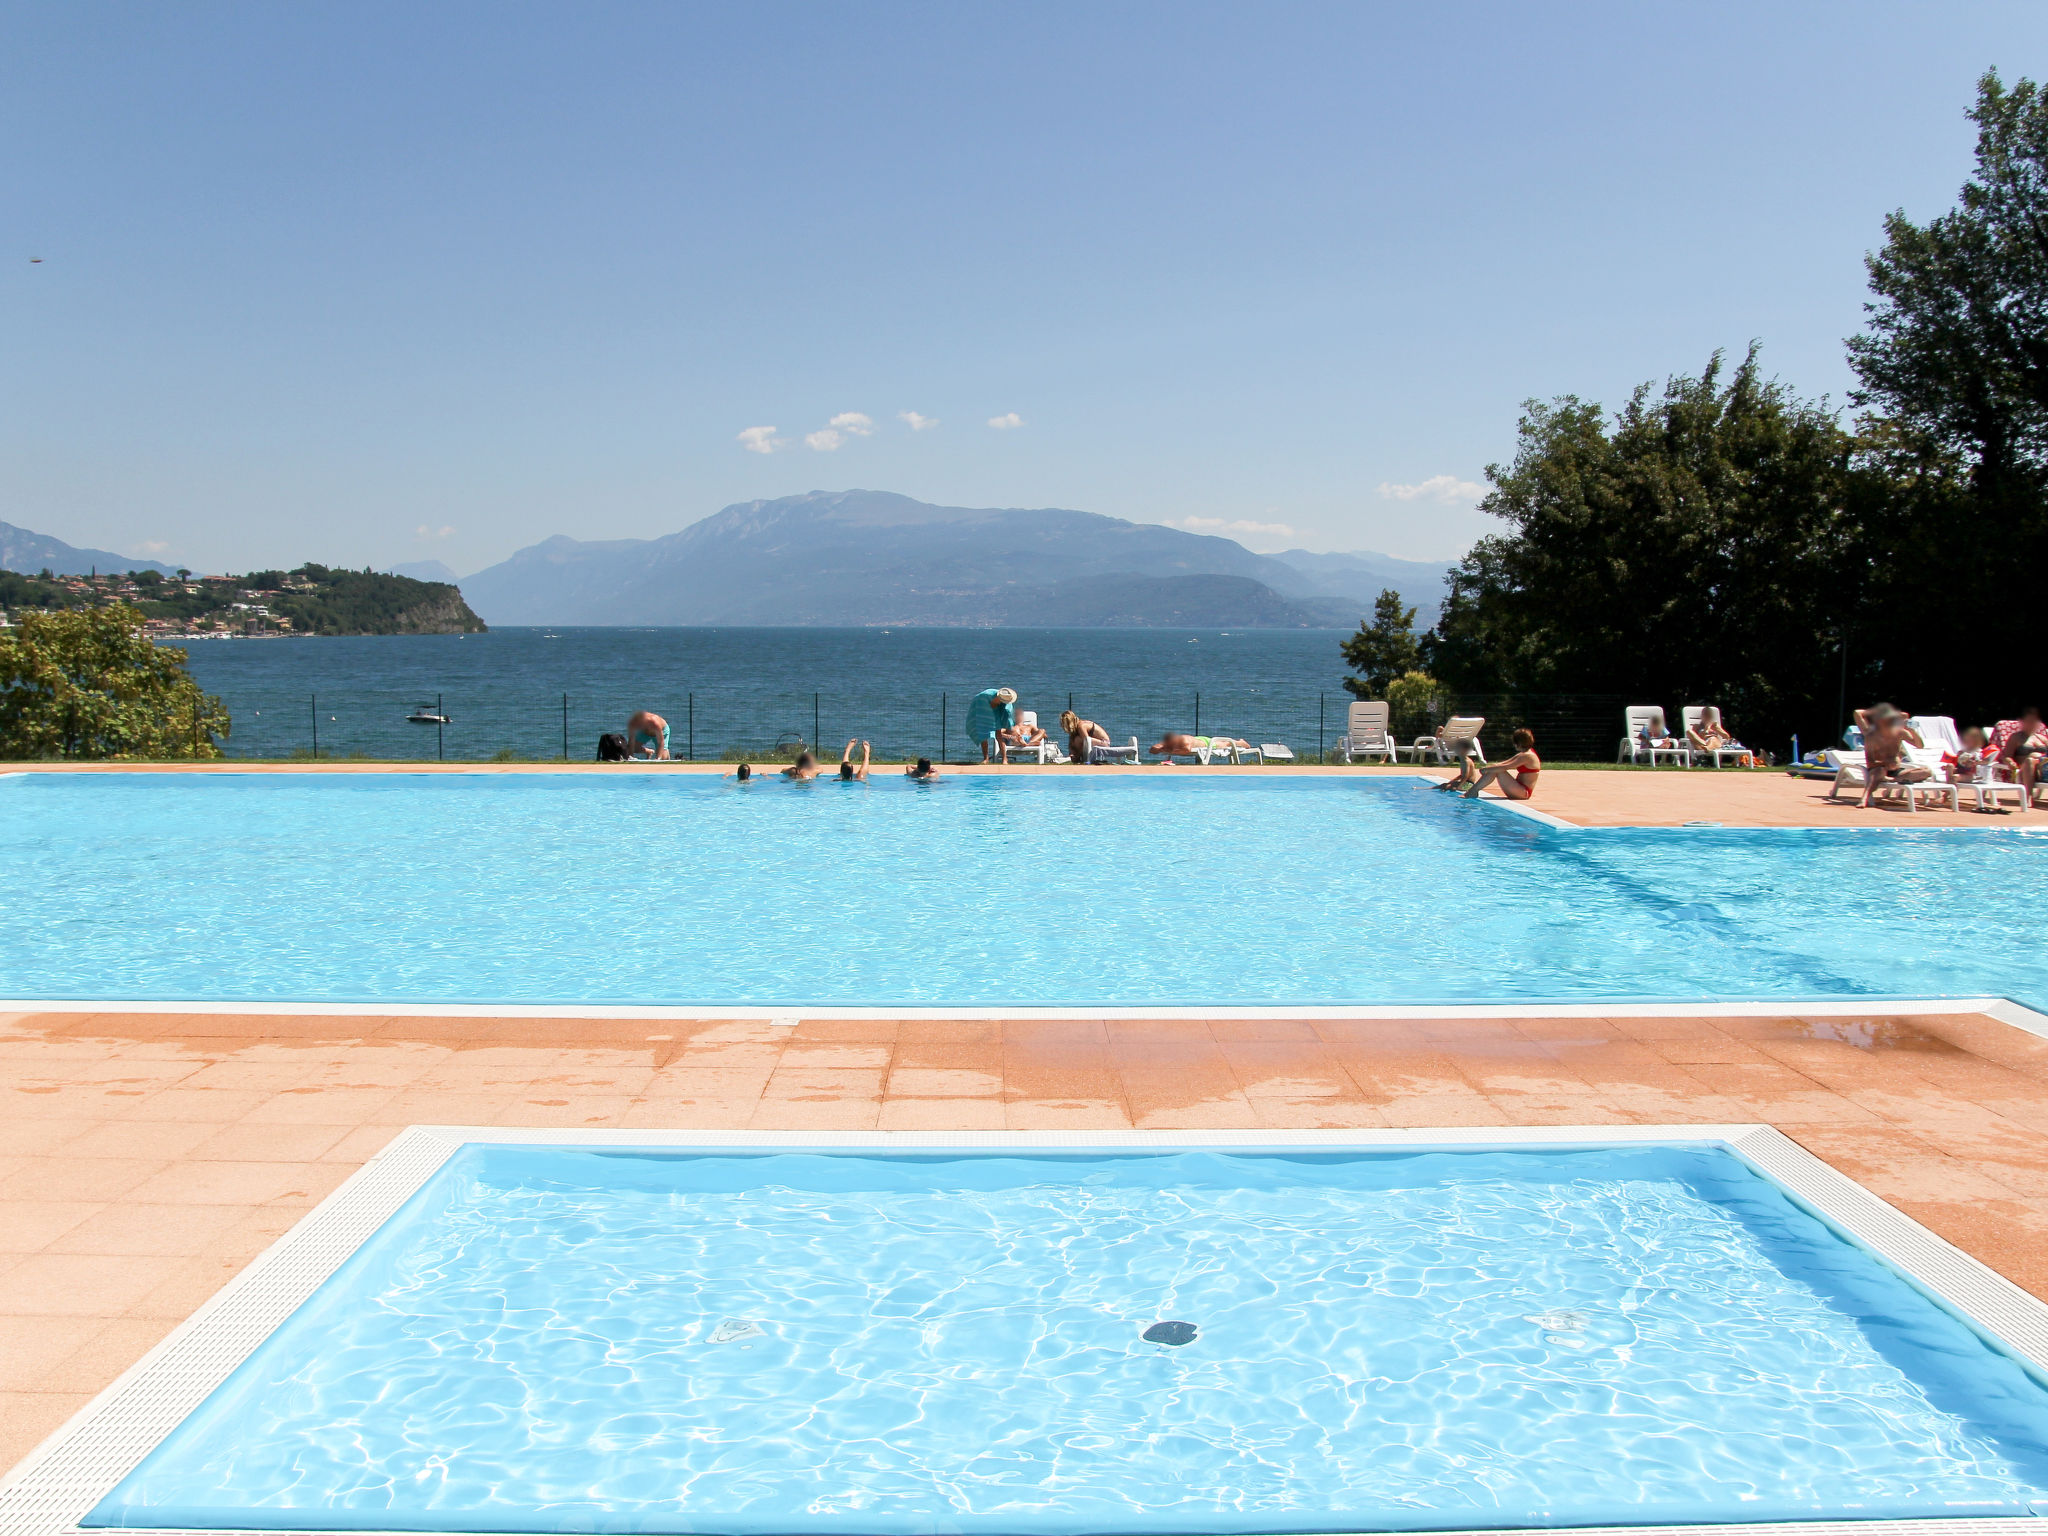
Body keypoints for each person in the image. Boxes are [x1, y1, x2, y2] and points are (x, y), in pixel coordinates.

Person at [1854, 704, 1928, 806]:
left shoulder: (1900, 733)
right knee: (1879, 771)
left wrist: (1912, 731)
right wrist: (1885, 763)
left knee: (1927, 771)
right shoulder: (1870, 734)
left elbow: (1920, 746)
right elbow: (1857, 712)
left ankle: (1892, 780)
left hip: (1896, 772)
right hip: (1877, 769)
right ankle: (1864, 798)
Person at [1438, 728, 1541, 799]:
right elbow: (1503, 763)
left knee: (1497, 770)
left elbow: (1506, 767)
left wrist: (1487, 770)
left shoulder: (1527, 756)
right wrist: (1489, 768)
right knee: (1495, 769)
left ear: (1518, 743)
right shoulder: (1524, 754)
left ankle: (1472, 791)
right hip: (1519, 789)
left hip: (1523, 792)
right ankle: (1472, 791)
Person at [1994, 706, 2047, 796]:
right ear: (2022, 722)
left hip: (2043, 770)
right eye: (2029, 721)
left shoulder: (2042, 738)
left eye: (2035, 721)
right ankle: (2028, 798)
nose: (2032, 724)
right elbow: (2006, 756)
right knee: (2030, 761)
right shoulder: (2015, 738)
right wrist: (2010, 762)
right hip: (2025, 770)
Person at [965, 686, 1018, 763]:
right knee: (983, 735)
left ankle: (1004, 758)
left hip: (997, 712)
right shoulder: (984, 696)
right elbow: (978, 706)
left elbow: (1008, 712)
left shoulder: (1006, 698)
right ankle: (986, 759)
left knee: (998, 736)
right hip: (983, 712)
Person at [1150, 732, 1251, 761]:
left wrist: (1169, 751)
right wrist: (1158, 748)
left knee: (1225, 744)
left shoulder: (1184, 740)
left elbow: (1187, 750)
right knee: (1223, 742)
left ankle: (1241, 742)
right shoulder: (1168, 742)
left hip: (1205, 743)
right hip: (1196, 739)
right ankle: (1239, 742)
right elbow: (1152, 749)